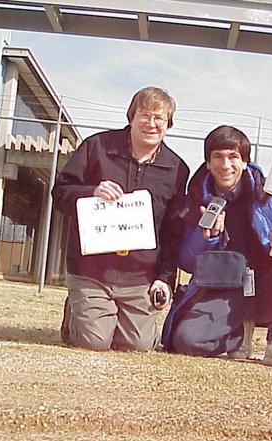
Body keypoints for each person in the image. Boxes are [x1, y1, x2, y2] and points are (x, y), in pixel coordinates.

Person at [161, 125, 272, 369]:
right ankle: (237, 334)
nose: (225, 165)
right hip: (225, 287)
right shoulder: (193, 202)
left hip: (268, 283)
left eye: (233, 156)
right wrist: (207, 239)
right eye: (217, 156)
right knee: (186, 341)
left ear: (245, 161)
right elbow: (185, 261)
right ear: (207, 163)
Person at [52, 86, 189, 351]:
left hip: (139, 277)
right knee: (94, 342)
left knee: (138, 346)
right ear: (131, 117)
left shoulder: (176, 169)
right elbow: (60, 193)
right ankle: (77, 313)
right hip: (92, 272)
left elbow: (173, 232)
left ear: (168, 124)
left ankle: (110, 317)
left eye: (159, 118)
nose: (151, 124)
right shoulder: (97, 147)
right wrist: (91, 192)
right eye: (145, 115)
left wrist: (164, 278)